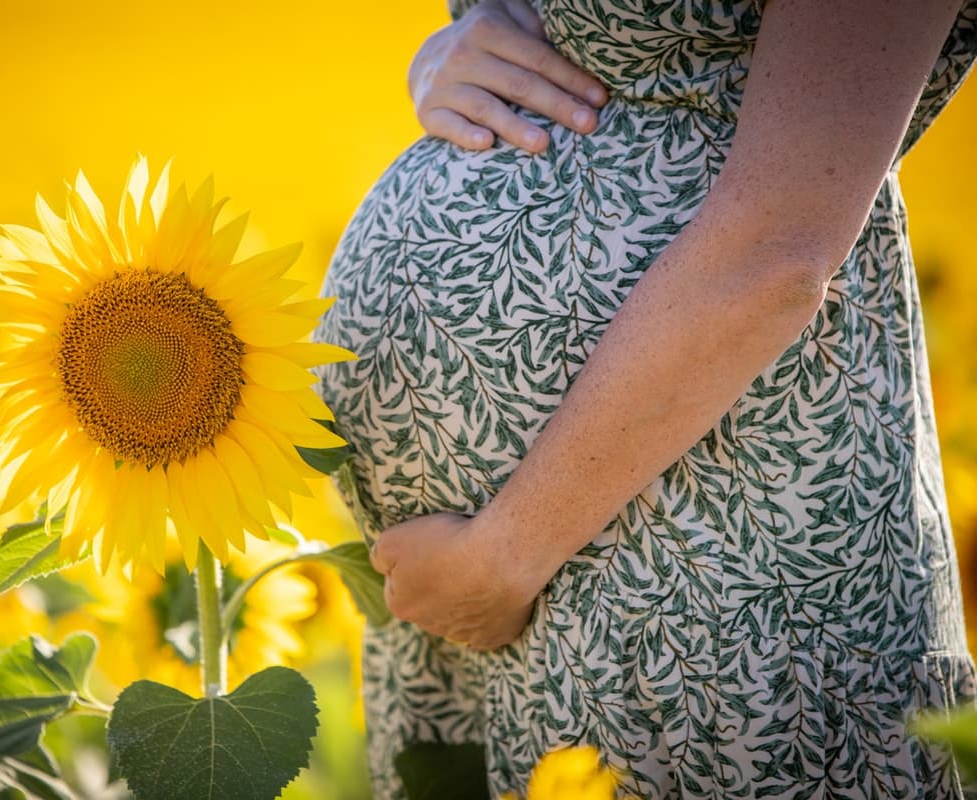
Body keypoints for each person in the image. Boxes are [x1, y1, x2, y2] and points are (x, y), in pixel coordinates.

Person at [315, 0, 977, 797]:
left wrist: (500, 557)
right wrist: (449, 49)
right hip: (473, 583)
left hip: (702, 545)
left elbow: (779, 248)